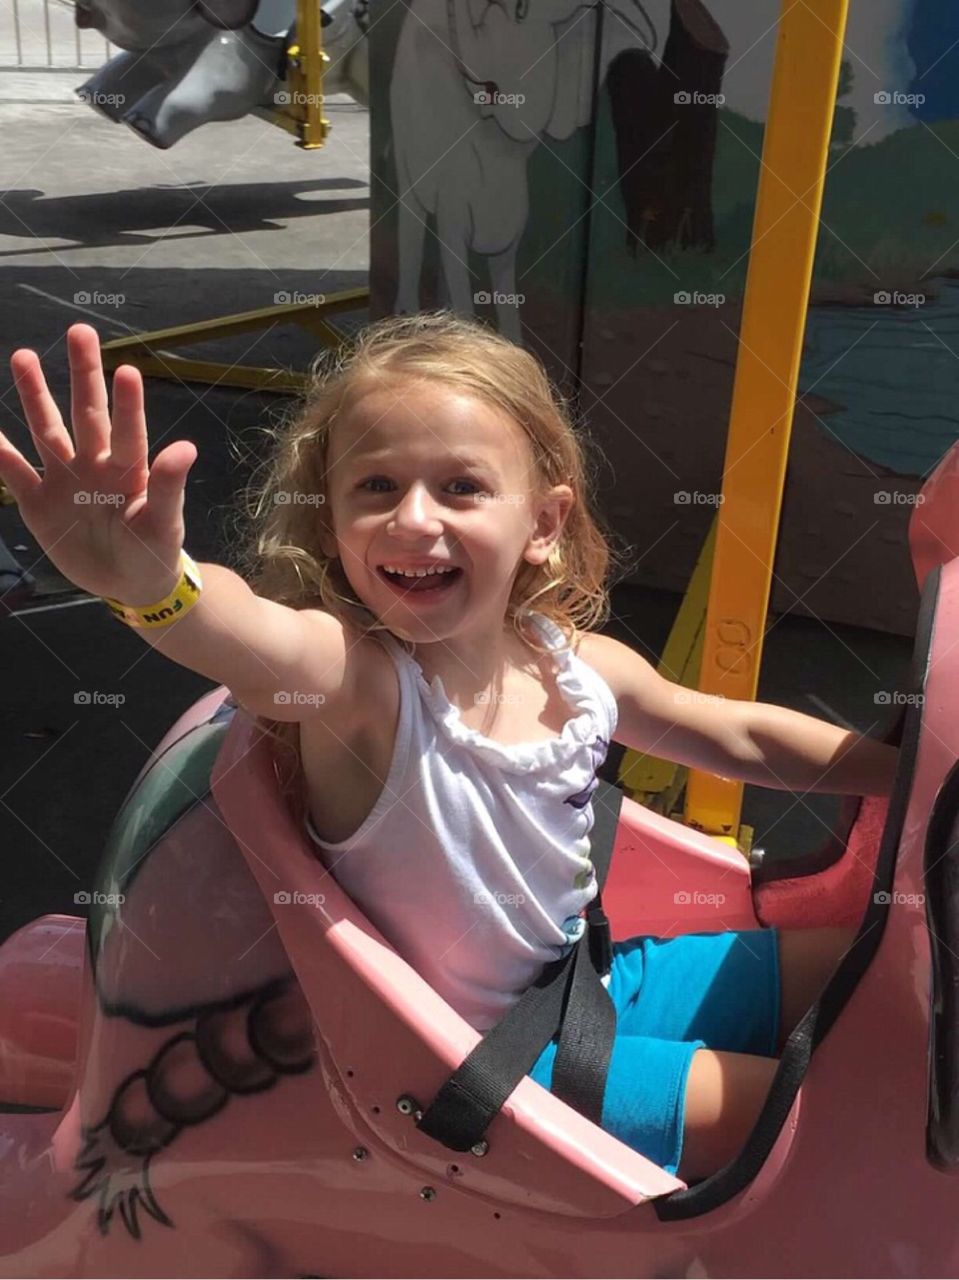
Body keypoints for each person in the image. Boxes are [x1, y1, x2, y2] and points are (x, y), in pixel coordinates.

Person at [0, 313, 898, 1184]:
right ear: (332, 526)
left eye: (461, 487)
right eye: (376, 487)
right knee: (837, 1109)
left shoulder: (574, 664)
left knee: (887, 967)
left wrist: (908, 772)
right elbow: (248, 638)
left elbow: (737, 732)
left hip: (589, 984)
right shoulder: (359, 685)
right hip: (482, 1073)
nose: (413, 519)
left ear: (543, 525)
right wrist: (159, 587)